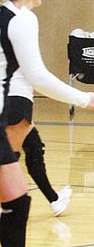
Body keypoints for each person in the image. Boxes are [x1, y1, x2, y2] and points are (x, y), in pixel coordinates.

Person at [0, 0, 94, 247]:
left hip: (8, 112)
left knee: (14, 198)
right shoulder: (22, 18)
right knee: (15, 199)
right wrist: (81, 97)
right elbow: (37, 76)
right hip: (8, 110)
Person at [6, 69, 72, 217]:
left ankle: (54, 199)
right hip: (15, 100)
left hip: (17, 100)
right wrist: (81, 98)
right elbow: (38, 74)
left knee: (34, 147)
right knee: (8, 162)